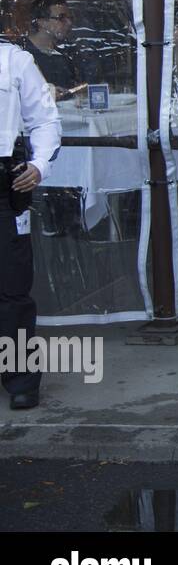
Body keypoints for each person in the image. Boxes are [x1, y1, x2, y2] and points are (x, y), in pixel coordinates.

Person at [0, 35, 62, 409]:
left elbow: (45, 121)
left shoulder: (14, 61)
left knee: (12, 291)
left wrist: (39, 166)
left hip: (4, 187)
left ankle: (20, 377)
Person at [22, 0, 84, 101]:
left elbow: (75, 88)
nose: (69, 23)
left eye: (70, 18)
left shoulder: (66, 53)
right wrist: (44, 94)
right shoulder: (19, 52)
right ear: (42, 22)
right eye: (61, 18)